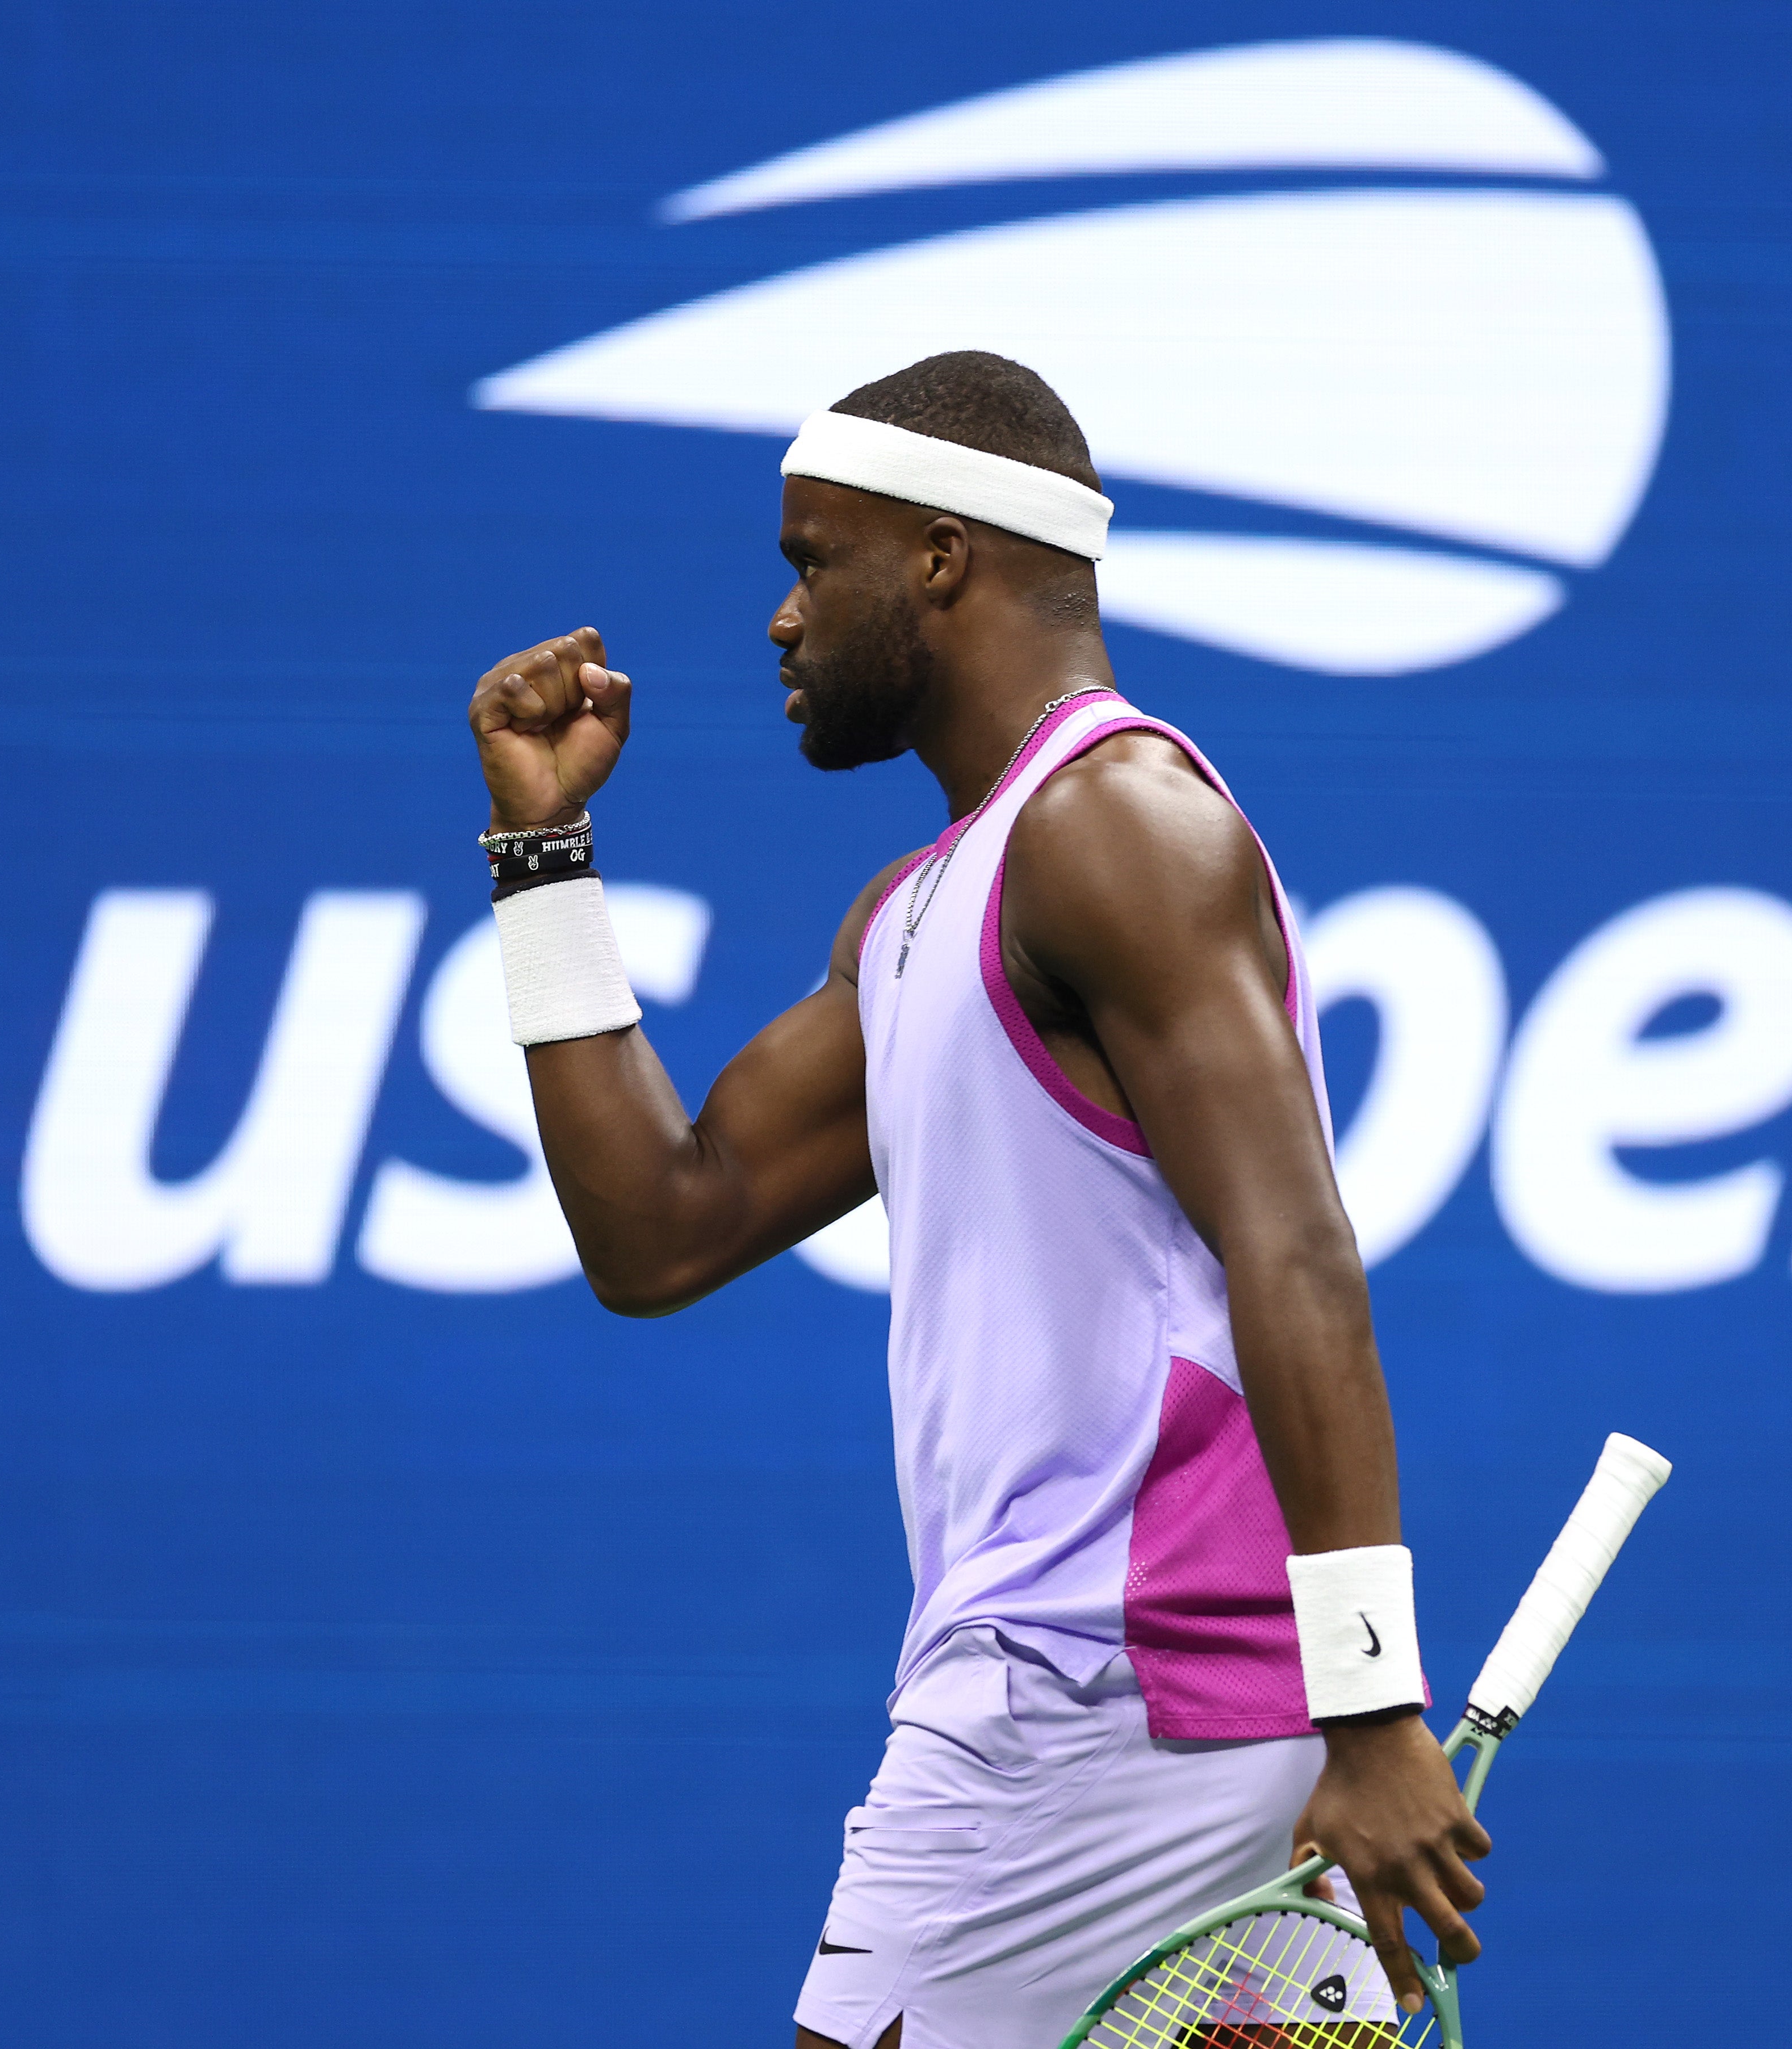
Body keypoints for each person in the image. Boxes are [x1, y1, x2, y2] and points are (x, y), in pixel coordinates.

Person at [467, 351, 1487, 2049]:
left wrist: (1377, 1703)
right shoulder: (927, 905)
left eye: (813, 560)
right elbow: (660, 1227)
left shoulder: (1120, 829)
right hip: (1134, 1698)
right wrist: (542, 860)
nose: (784, 621)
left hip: (1098, 1685)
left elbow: (1296, 1248)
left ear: (941, 555)